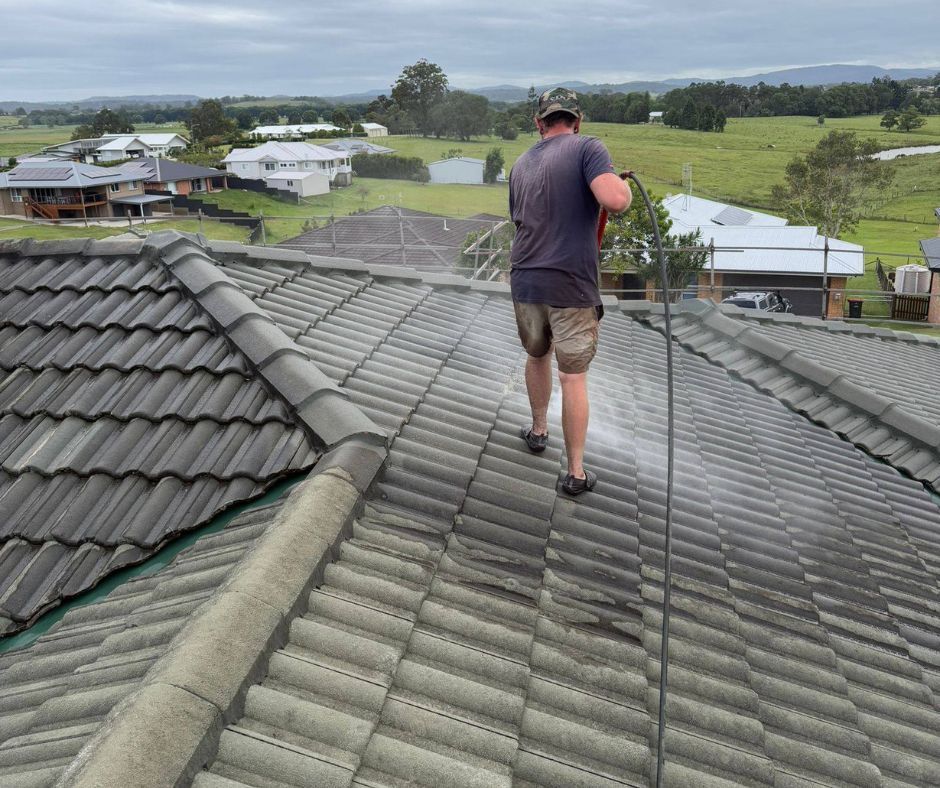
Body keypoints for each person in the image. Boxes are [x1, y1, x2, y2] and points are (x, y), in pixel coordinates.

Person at [509, 87, 631, 496]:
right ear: (577, 121)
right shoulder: (587, 148)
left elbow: (522, 220)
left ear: (539, 122)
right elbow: (614, 200)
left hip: (526, 279)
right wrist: (620, 184)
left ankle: (539, 431)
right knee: (572, 377)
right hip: (569, 284)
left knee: (536, 355)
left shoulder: (520, 164)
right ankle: (576, 473)